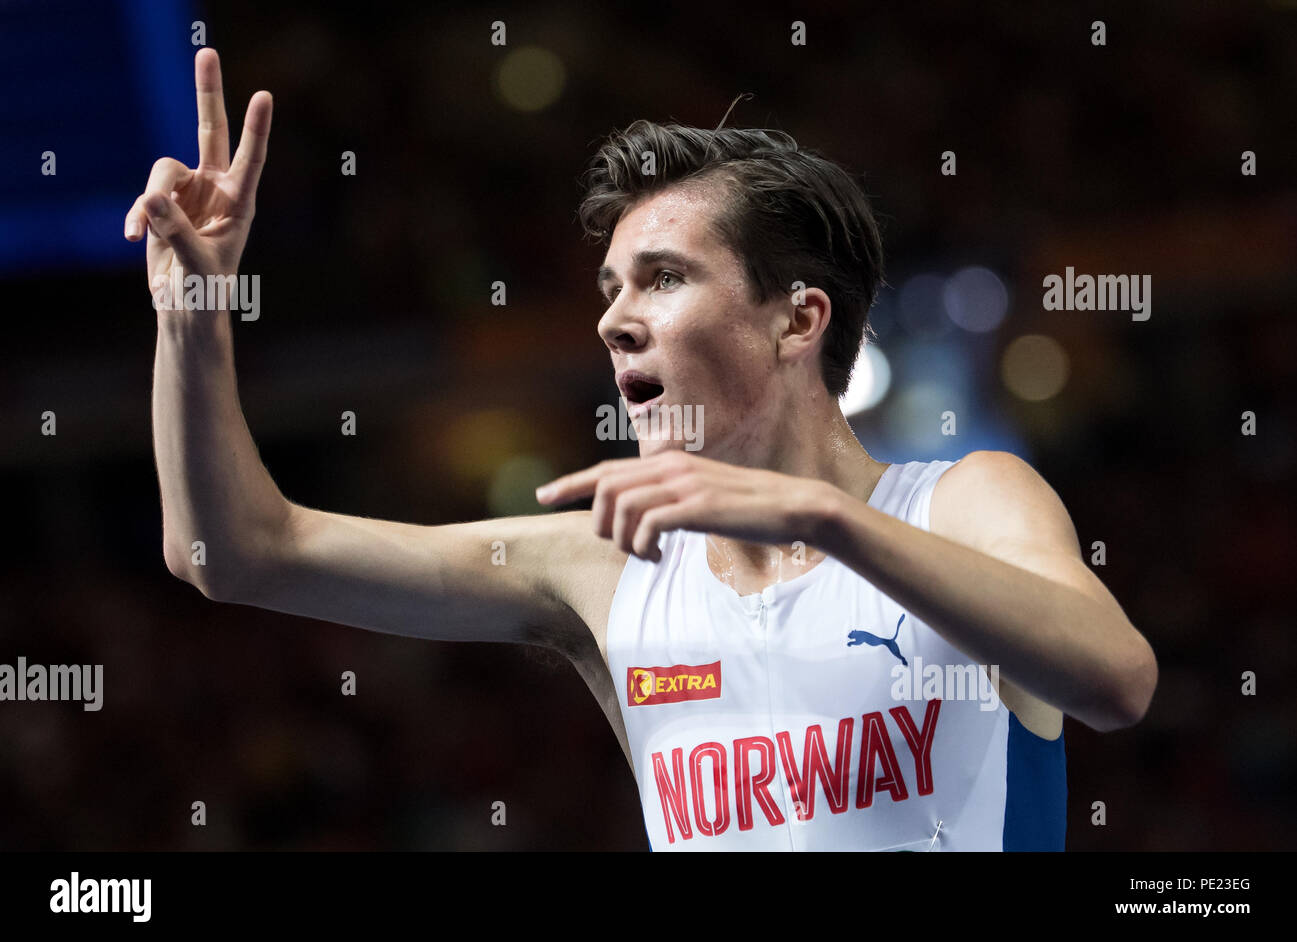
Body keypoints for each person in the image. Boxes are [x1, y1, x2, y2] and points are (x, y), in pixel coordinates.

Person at [127, 48, 1158, 851]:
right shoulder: (603, 567)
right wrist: (195, 318)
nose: (614, 320)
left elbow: (1116, 681)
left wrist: (820, 517)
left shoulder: (969, 500)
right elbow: (236, 554)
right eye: (610, 289)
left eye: (662, 278)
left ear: (798, 321)